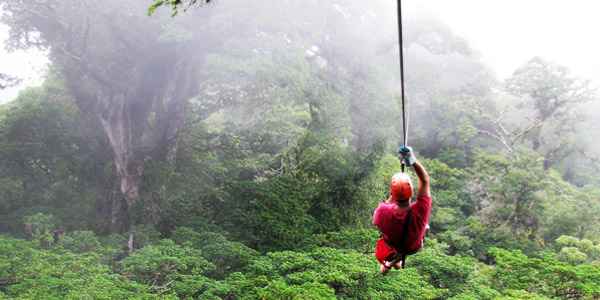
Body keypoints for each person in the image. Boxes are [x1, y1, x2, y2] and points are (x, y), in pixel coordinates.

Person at [372, 146, 431, 274]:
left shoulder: (382, 211)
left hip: (393, 244)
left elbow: (377, 220)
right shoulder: (420, 211)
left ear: (392, 193)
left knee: (398, 246)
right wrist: (412, 160)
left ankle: (391, 263)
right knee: (425, 227)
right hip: (412, 247)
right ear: (412, 192)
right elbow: (425, 180)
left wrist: (394, 193)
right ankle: (392, 263)